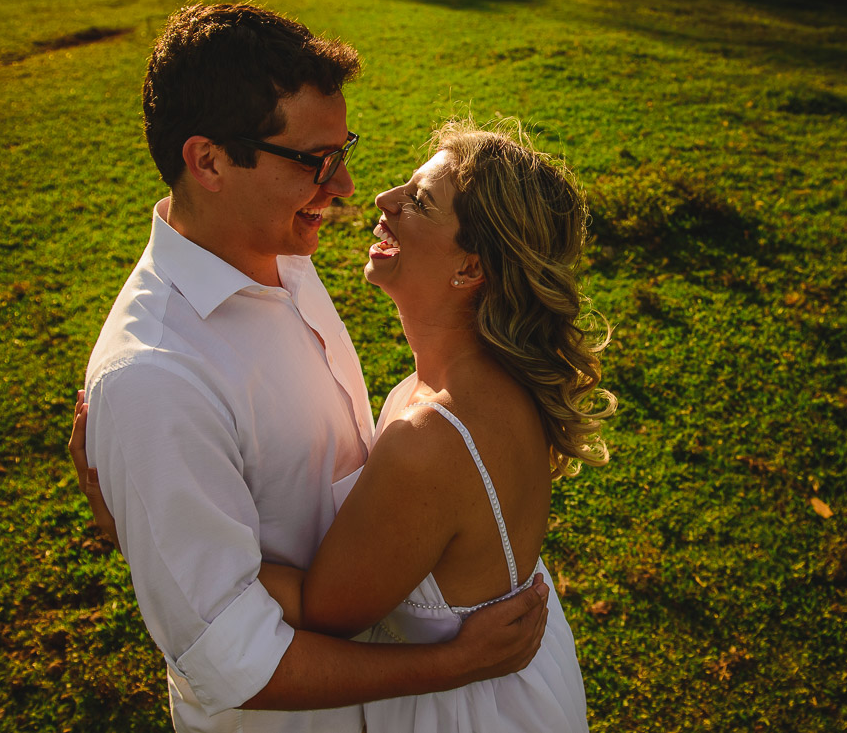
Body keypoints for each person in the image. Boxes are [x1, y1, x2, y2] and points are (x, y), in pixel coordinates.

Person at [75, 3, 548, 733]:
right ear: (209, 162)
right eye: (316, 161)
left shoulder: (283, 254)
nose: (349, 186)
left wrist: (145, 538)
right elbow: (232, 658)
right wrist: (451, 665)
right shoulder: (155, 379)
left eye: (344, 148)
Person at [255, 119, 615, 732]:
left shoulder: (433, 439)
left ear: (470, 269)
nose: (382, 200)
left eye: (419, 202)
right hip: (525, 688)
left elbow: (319, 611)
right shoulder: (501, 377)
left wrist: (152, 518)